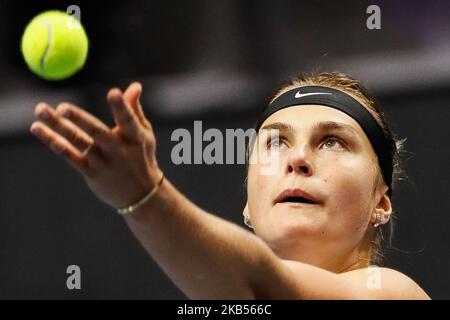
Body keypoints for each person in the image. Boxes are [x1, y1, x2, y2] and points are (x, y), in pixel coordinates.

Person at [30, 72, 430, 299]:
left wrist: (146, 194)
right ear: (248, 207)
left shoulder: (392, 295)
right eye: (275, 142)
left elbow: (260, 286)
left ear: (382, 202)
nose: (297, 159)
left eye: (332, 141)